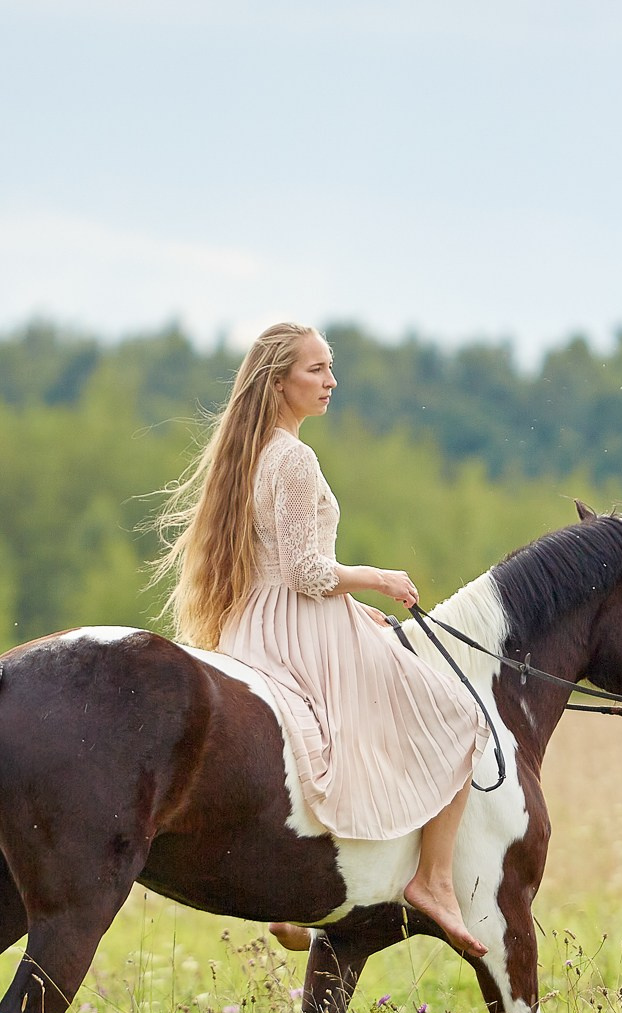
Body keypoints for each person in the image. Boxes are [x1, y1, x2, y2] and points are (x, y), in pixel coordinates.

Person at [150, 322, 489, 958]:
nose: (331, 381)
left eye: (331, 368)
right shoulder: (295, 460)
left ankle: (287, 897)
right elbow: (308, 573)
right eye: (316, 370)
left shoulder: (246, 456)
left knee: (309, 746)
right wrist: (378, 580)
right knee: (461, 718)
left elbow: (278, 569)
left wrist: (360, 613)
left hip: (252, 624)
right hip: (302, 625)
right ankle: (435, 881)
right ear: (278, 382)